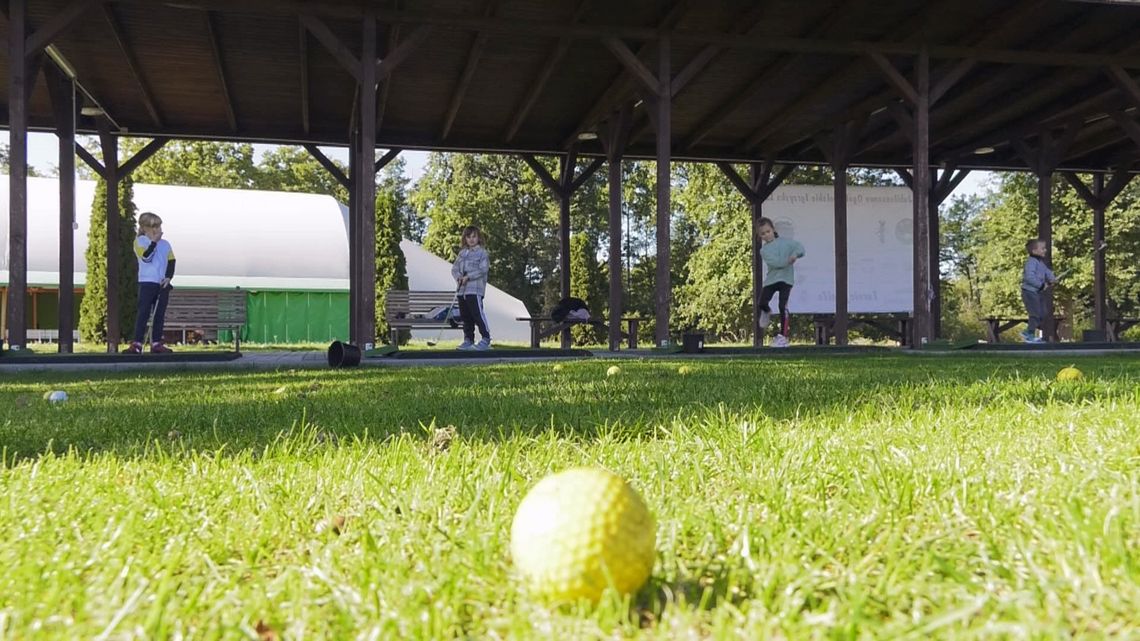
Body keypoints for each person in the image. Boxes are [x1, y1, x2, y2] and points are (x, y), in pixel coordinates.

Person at [125, 212, 176, 354]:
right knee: (144, 313)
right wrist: (153, 242)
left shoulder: (165, 244)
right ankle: (137, 343)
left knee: (159, 314)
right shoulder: (140, 242)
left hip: (162, 284)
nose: (157, 229)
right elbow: (146, 258)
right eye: (153, 226)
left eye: (158, 225)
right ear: (144, 227)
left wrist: (168, 277)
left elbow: (171, 261)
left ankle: (156, 342)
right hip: (147, 282)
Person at [756, 217, 805, 348]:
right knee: (761, 302)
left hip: (786, 280)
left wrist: (795, 254)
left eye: (768, 231)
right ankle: (766, 311)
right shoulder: (764, 251)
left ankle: (783, 337)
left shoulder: (786, 243)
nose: (766, 235)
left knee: (782, 306)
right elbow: (776, 263)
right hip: (772, 279)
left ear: (773, 230)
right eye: (763, 234)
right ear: (760, 236)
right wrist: (787, 261)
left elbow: (800, 248)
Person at [451, 225, 492, 350]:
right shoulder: (462, 253)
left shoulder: (482, 253)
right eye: (468, 237)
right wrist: (458, 277)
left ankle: (486, 338)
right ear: (465, 239)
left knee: (477, 314)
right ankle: (468, 339)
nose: (471, 239)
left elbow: (483, 269)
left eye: (474, 236)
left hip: (474, 289)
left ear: (479, 238)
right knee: (465, 316)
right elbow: (454, 269)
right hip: (462, 291)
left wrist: (468, 277)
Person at [1020, 238, 1056, 343]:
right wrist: (1040, 285)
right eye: (1043, 248)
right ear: (1034, 251)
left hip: (1037, 293)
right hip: (1029, 292)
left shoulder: (1040, 262)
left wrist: (1052, 278)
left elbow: (1047, 272)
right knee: (1035, 313)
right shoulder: (1031, 262)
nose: (1045, 250)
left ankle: (1029, 333)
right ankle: (1029, 334)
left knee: (1043, 312)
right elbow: (1029, 278)